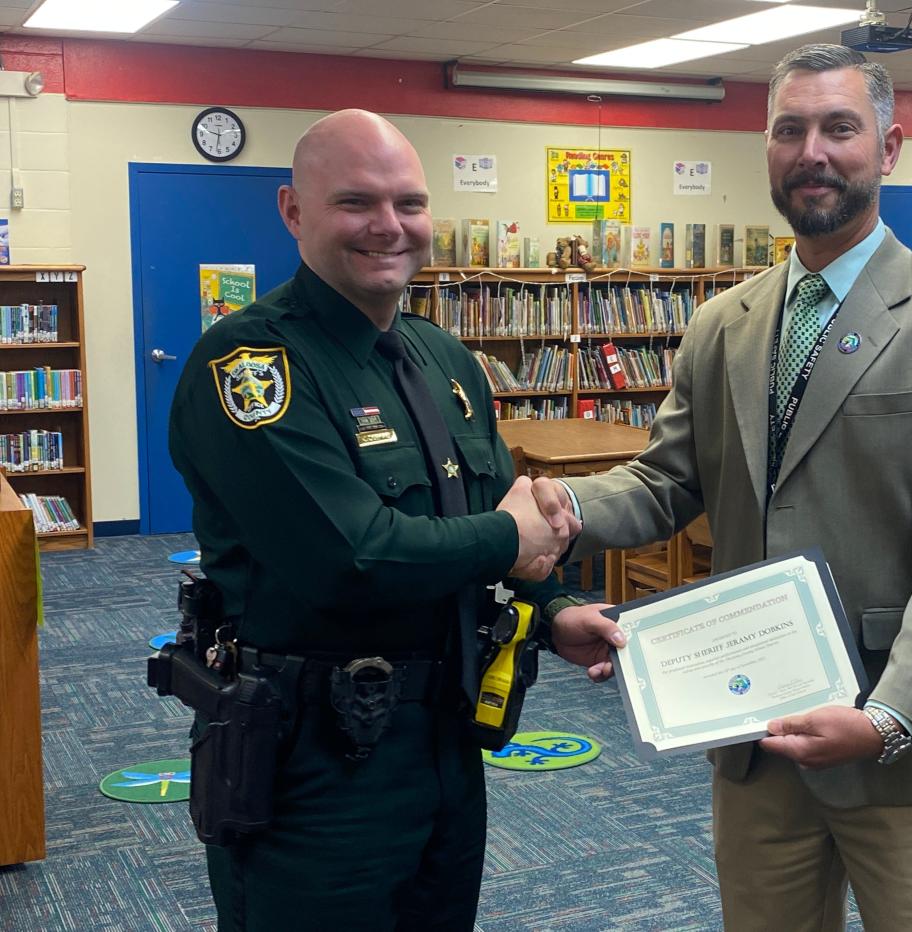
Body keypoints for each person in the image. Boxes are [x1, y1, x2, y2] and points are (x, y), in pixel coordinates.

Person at [534, 44, 912, 931]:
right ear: (766, 149)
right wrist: (570, 511)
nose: (814, 151)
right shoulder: (723, 324)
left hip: (905, 749)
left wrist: (888, 718)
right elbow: (665, 480)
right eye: (790, 129)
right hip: (755, 741)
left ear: (888, 148)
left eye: (840, 128)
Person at [167, 109, 619, 931]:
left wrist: (553, 615)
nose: (389, 226)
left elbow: (469, 533)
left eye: (409, 203)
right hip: (312, 755)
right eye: (356, 203)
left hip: (446, 736)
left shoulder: (446, 360)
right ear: (293, 212)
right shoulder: (252, 367)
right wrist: (514, 538)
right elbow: (354, 557)